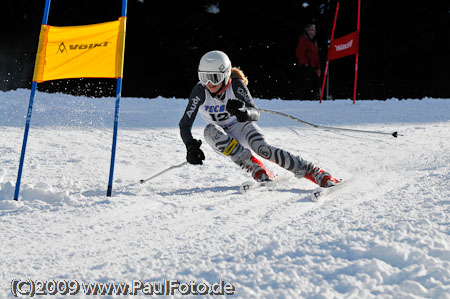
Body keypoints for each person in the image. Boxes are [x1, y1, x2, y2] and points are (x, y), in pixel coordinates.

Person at [178, 50, 338, 188]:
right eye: (204, 77)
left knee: (264, 150)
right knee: (210, 131)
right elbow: (185, 124)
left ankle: (315, 172)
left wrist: (243, 113)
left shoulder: (236, 86)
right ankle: (255, 167)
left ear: (225, 75)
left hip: (242, 127)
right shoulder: (200, 91)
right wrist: (190, 146)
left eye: (213, 77)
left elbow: (255, 112)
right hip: (222, 137)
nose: (209, 83)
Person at [296, 24, 321, 99]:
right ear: (307, 31)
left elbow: (316, 56)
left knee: (315, 86)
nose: (313, 32)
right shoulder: (303, 40)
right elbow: (300, 53)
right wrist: (306, 63)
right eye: (311, 30)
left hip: (313, 67)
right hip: (305, 67)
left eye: (314, 30)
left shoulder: (314, 42)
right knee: (306, 86)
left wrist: (318, 67)